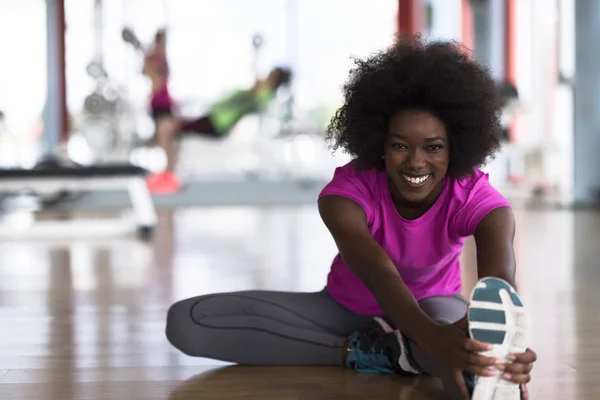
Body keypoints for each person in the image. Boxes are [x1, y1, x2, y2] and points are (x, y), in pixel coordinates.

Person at [164, 37, 537, 399]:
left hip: (436, 306)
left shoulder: (476, 197)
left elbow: (499, 284)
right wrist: (431, 340)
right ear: (380, 143)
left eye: (434, 148)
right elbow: (378, 273)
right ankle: (391, 353)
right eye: (399, 145)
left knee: (461, 344)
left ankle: (433, 359)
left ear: (455, 146)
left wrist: (504, 343)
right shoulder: (346, 193)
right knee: (189, 322)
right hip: (345, 311)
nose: (416, 162)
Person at [146, 66, 292, 194]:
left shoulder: (264, 93)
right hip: (213, 117)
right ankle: (169, 173)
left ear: (275, 78)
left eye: (271, 74)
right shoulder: (262, 91)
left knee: (166, 127)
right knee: (169, 129)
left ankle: (168, 175)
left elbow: (256, 92)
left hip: (217, 123)